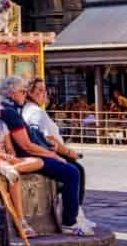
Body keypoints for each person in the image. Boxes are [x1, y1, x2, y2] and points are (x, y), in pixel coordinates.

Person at [0, 74, 86, 234]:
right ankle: (69, 221)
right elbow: (27, 145)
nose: (25, 94)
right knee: (72, 172)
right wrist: (53, 156)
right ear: (11, 93)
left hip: (30, 152)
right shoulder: (11, 113)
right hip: (28, 156)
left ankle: (69, 212)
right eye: (22, 92)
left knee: (74, 170)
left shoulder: (10, 109)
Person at [25, 77, 92, 233]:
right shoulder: (36, 113)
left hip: (47, 152)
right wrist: (69, 153)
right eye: (39, 90)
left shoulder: (33, 110)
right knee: (74, 173)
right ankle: (70, 219)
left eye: (45, 90)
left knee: (77, 171)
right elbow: (49, 139)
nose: (44, 93)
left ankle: (75, 214)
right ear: (29, 94)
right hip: (49, 153)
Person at [0, 94, 41, 232]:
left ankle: (11, 169)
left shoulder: (3, 125)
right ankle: (20, 219)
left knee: (38, 162)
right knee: (13, 175)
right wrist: (3, 156)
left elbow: (9, 146)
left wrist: (11, 156)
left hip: (5, 159)